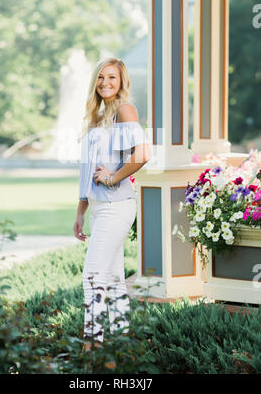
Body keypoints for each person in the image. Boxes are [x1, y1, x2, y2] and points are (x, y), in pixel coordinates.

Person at [73, 57, 151, 352]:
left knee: (93, 275)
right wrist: (80, 212)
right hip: (97, 208)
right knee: (115, 276)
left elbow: (143, 153)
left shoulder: (124, 110)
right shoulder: (96, 117)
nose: (105, 83)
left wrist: (112, 177)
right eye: (101, 77)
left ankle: (91, 346)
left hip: (117, 205)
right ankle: (122, 343)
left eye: (112, 78)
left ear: (121, 83)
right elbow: (86, 170)